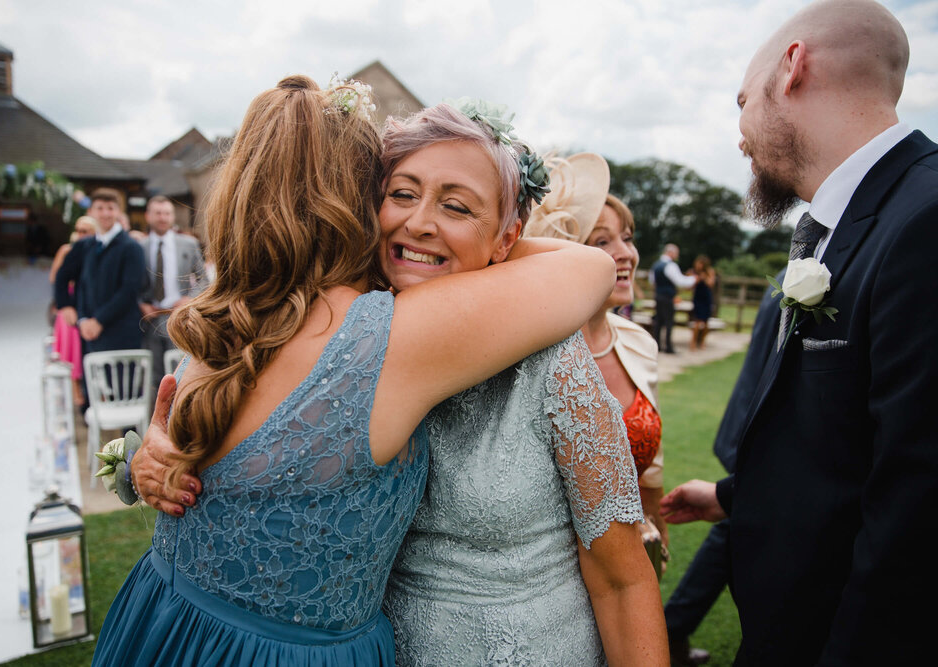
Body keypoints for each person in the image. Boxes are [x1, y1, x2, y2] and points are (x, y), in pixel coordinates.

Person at [93, 78, 619, 666]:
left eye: (450, 203)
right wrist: (484, 231)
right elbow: (591, 268)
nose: (418, 222)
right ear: (359, 202)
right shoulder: (391, 335)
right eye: (397, 193)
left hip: (164, 623)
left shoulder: (227, 319)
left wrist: (144, 462)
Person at [660, 1, 938, 663]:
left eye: (742, 100)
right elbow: (848, 445)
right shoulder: (839, 224)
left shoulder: (926, 221)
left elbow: (916, 508)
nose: (738, 134)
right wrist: (732, 496)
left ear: (792, 69)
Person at [525, 153, 669, 576]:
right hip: (552, 572)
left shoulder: (640, 343)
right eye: (602, 242)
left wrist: (655, 531)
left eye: (627, 237)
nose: (626, 254)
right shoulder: (534, 352)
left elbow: (652, 472)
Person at [664, 271, 783, 667]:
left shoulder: (794, 270)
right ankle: (671, 629)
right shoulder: (805, 271)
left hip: (753, 430)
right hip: (770, 439)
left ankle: (673, 628)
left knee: (731, 530)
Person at [54, 187, 146, 354]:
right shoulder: (84, 245)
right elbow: (62, 276)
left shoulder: (132, 248)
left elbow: (129, 290)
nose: (105, 214)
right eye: (100, 208)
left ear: (118, 211)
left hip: (121, 331)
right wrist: (67, 307)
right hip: (87, 331)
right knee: (89, 379)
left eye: (110, 208)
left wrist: (99, 321)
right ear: (90, 212)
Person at [138, 195, 208, 395]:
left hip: (179, 317)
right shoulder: (139, 247)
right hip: (150, 319)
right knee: (154, 376)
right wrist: (141, 304)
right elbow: (131, 283)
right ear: (148, 216)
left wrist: (189, 299)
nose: (162, 218)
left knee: (180, 371)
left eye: (167, 213)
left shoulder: (188, 244)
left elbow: (204, 280)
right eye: (158, 213)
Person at [49, 215, 98, 406]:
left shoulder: (94, 250)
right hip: (70, 304)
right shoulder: (68, 250)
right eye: (79, 230)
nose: (81, 234)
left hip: (85, 305)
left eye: (85, 231)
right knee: (71, 351)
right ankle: (76, 390)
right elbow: (55, 277)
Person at [649, 244, 695, 353]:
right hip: (668, 297)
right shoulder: (670, 266)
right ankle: (668, 346)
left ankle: (657, 345)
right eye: (676, 253)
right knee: (669, 322)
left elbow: (652, 281)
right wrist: (693, 279)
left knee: (658, 321)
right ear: (671, 252)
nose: (677, 256)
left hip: (658, 295)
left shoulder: (655, 265)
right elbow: (680, 281)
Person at [688, 255, 716, 351]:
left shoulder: (709, 272)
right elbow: (688, 286)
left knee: (706, 322)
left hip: (706, 298)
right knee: (697, 321)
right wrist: (694, 280)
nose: (698, 265)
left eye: (700, 263)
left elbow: (711, 284)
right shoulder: (692, 272)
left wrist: (704, 278)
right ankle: (693, 342)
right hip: (697, 298)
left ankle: (703, 341)